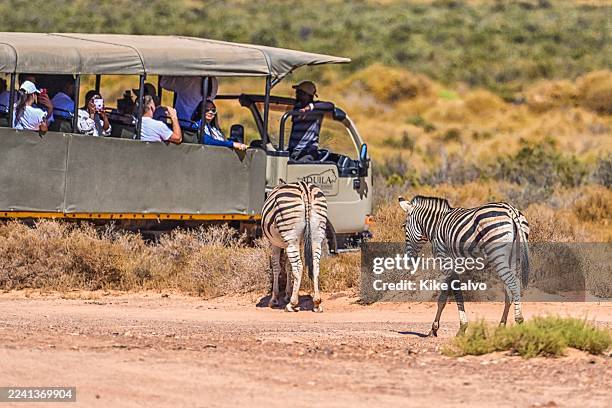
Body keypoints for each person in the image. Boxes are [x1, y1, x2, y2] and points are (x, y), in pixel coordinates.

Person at [288, 80, 334, 161]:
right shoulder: (298, 107)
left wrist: (310, 107)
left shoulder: (316, 108)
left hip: (306, 151)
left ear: (306, 94)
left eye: (299, 92)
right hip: (293, 150)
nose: (296, 94)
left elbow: (330, 105)